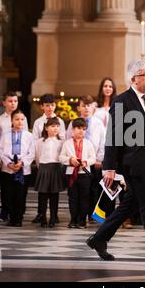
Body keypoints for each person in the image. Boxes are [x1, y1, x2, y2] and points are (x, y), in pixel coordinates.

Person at [86, 59, 145, 267]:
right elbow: (113, 137)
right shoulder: (122, 101)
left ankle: (99, 238)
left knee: (130, 204)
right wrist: (109, 167)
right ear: (134, 79)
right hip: (133, 164)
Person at [67, 95, 106, 224]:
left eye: (89, 105)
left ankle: (91, 214)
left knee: (94, 190)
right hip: (77, 164)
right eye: (83, 105)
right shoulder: (73, 124)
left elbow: (102, 142)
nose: (86, 108)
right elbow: (67, 141)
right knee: (78, 192)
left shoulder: (98, 123)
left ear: (93, 107)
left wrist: (99, 159)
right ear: (79, 107)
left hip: (93, 162)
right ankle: (78, 216)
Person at [0, 91, 29, 223]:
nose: (13, 103)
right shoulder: (0, 120)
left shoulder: (22, 117)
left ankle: (18, 214)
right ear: (4, 103)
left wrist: (22, 161)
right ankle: (5, 212)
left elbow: (25, 140)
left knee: (19, 191)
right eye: (10, 101)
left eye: (15, 101)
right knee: (6, 189)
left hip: (20, 161)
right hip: (6, 160)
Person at [31, 94, 66, 224]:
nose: (50, 108)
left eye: (52, 105)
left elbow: (63, 139)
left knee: (54, 193)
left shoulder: (60, 122)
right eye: (47, 105)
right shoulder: (38, 122)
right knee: (43, 193)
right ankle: (41, 214)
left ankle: (54, 216)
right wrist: (39, 164)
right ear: (42, 107)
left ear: (55, 106)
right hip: (44, 165)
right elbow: (36, 145)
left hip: (55, 165)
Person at [0, 109, 36, 227]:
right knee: (8, 194)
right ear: (12, 120)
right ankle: (11, 217)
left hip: (22, 169)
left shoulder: (29, 136)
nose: (19, 122)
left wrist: (22, 163)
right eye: (17, 119)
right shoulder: (5, 135)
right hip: (8, 168)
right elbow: (0, 151)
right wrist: (8, 163)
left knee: (20, 195)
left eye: (22, 119)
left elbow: (32, 153)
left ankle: (18, 218)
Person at [60, 118, 96, 229]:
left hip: (84, 174)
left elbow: (93, 158)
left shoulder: (89, 143)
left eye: (84, 129)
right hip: (71, 174)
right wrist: (70, 160)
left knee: (84, 197)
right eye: (78, 128)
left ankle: (82, 220)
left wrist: (86, 162)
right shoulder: (67, 143)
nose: (81, 131)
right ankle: (73, 220)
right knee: (73, 197)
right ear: (72, 129)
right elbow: (61, 157)